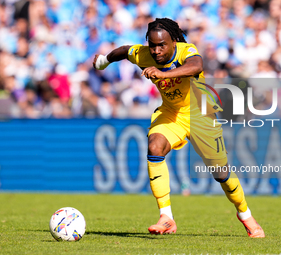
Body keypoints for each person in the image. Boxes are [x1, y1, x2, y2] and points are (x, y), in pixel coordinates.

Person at [93, 18, 265, 238]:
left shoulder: (186, 51)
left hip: (201, 116)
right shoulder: (144, 54)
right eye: (152, 45)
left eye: (161, 45)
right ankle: (166, 217)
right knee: (155, 146)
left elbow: (197, 65)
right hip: (172, 113)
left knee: (221, 173)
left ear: (173, 41)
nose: (156, 51)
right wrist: (104, 61)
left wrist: (163, 74)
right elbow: (125, 51)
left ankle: (245, 215)